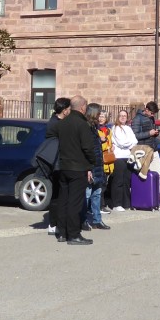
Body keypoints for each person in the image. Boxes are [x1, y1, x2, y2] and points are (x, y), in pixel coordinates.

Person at [52, 95, 101, 245]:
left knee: (64, 199)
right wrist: (92, 163)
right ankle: (73, 234)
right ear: (82, 107)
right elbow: (87, 147)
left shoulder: (61, 123)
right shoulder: (82, 124)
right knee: (75, 201)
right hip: (78, 167)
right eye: (85, 106)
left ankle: (62, 232)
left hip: (63, 166)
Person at [43, 97, 71, 236]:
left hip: (61, 161)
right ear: (65, 110)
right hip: (57, 163)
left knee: (60, 193)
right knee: (57, 194)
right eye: (69, 109)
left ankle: (56, 223)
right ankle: (54, 224)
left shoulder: (58, 121)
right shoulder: (55, 123)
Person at [83, 104, 111, 231]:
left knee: (97, 193)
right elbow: (86, 148)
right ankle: (82, 220)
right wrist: (88, 167)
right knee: (87, 194)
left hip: (98, 164)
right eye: (99, 113)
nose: (100, 116)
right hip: (91, 165)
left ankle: (97, 220)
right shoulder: (86, 127)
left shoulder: (94, 127)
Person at [108, 109, 138, 212]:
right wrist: (129, 143)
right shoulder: (115, 128)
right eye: (121, 115)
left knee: (127, 180)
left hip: (128, 157)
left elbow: (135, 141)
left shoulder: (128, 128)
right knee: (118, 181)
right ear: (118, 117)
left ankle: (126, 202)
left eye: (124, 115)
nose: (123, 117)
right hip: (119, 157)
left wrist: (129, 143)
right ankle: (117, 203)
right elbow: (121, 143)